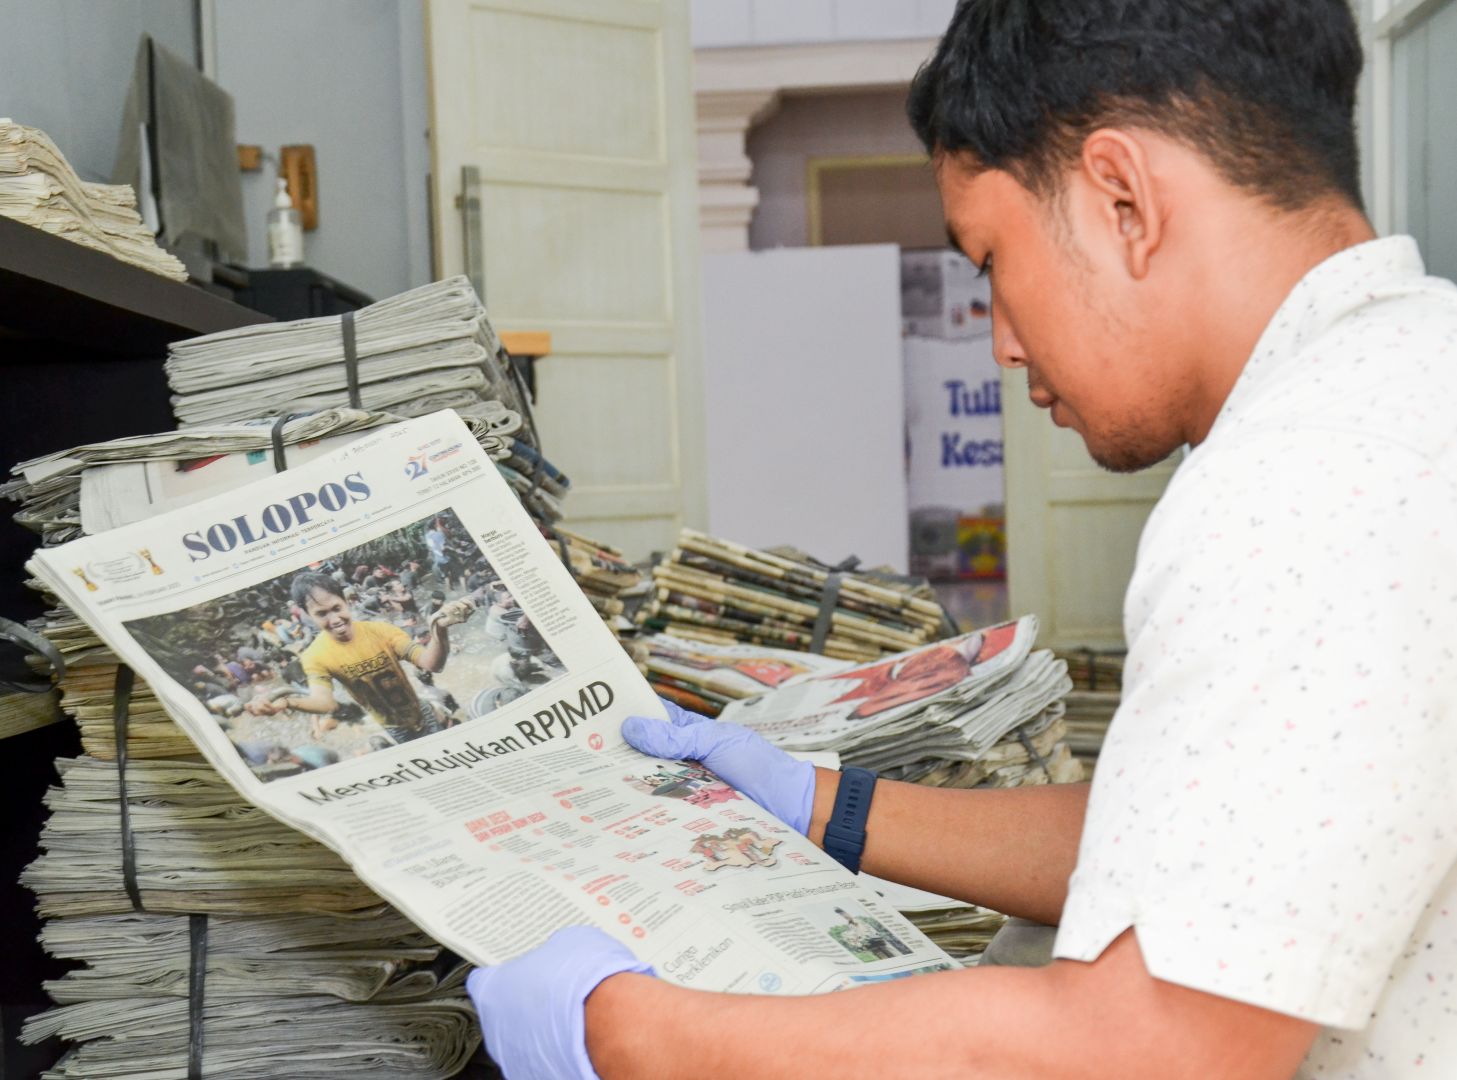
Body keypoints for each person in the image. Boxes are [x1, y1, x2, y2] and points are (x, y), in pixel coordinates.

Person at [462, 2, 1457, 1078]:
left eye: (990, 259)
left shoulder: (1312, 472)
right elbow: (1208, 843)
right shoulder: (1408, 380)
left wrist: (624, 1033)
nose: (999, 342)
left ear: (1121, 196)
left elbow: (1143, 1050)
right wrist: (820, 805)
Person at [246, 571, 473, 745]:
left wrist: (439, 628)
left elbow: (431, 664)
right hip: (393, 727)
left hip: (421, 711)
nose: (334, 619)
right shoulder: (315, 656)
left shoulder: (381, 630)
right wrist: (286, 703)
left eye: (337, 608)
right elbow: (326, 703)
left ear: (345, 601)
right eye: (322, 614)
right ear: (307, 615)